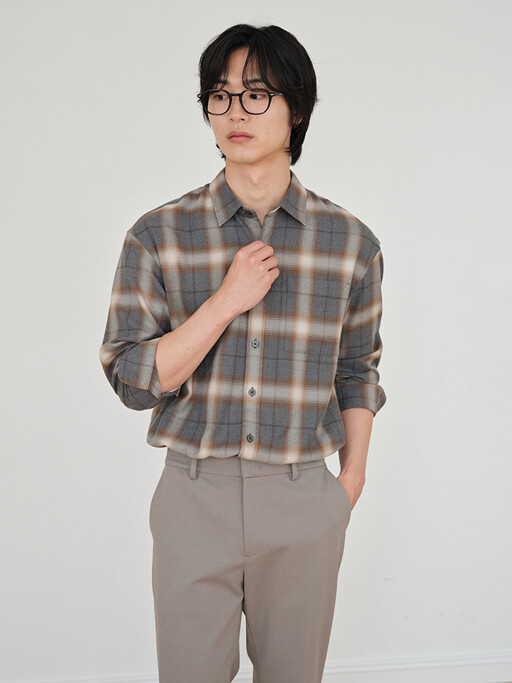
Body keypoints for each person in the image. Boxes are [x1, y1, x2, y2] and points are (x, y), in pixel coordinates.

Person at [99, 22, 386, 683]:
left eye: (257, 93)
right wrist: (225, 301)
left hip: (304, 494)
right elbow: (133, 380)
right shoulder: (158, 235)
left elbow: (358, 370)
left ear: (297, 109)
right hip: (193, 495)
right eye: (221, 95)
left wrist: (350, 481)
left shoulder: (351, 244)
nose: (235, 111)